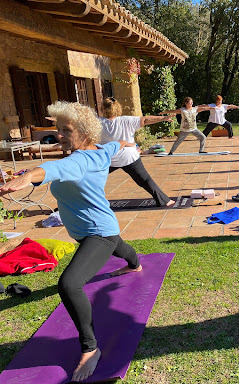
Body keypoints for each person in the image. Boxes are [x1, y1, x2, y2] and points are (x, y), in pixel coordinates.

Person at [0, 101, 142, 381]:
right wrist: (126, 143)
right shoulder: (100, 150)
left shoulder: (79, 160)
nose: (59, 135)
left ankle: (90, 349)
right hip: (100, 228)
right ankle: (134, 265)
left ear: (86, 132)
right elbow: (117, 145)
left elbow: (51, 170)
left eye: (67, 130)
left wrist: (28, 176)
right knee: (120, 247)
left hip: (96, 232)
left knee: (69, 283)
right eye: (58, 128)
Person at [100, 97, 175, 207]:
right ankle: (164, 201)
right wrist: (163, 118)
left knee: (91, 179)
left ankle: (84, 203)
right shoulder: (126, 120)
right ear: (117, 108)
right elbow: (145, 120)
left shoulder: (98, 123)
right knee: (145, 180)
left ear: (103, 109)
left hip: (109, 159)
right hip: (129, 157)